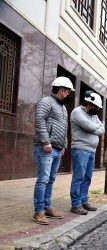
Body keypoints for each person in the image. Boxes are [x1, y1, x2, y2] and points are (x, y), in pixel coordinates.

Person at [33, 76, 75, 225]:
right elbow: (40, 121)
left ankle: (47, 207)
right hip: (45, 147)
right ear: (62, 90)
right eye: (68, 92)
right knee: (43, 179)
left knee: (50, 179)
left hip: (57, 148)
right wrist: (46, 141)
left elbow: (64, 129)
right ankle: (38, 212)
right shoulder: (46, 102)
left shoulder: (63, 107)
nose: (69, 94)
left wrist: (64, 145)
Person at [69, 91, 105, 215]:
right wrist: (93, 128)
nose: (97, 110)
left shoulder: (93, 115)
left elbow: (102, 128)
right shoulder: (77, 112)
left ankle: (84, 201)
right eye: (95, 107)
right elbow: (87, 125)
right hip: (80, 149)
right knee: (79, 177)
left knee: (87, 177)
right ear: (88, 103)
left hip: (91, 150)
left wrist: (92, 129)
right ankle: (76, 204)